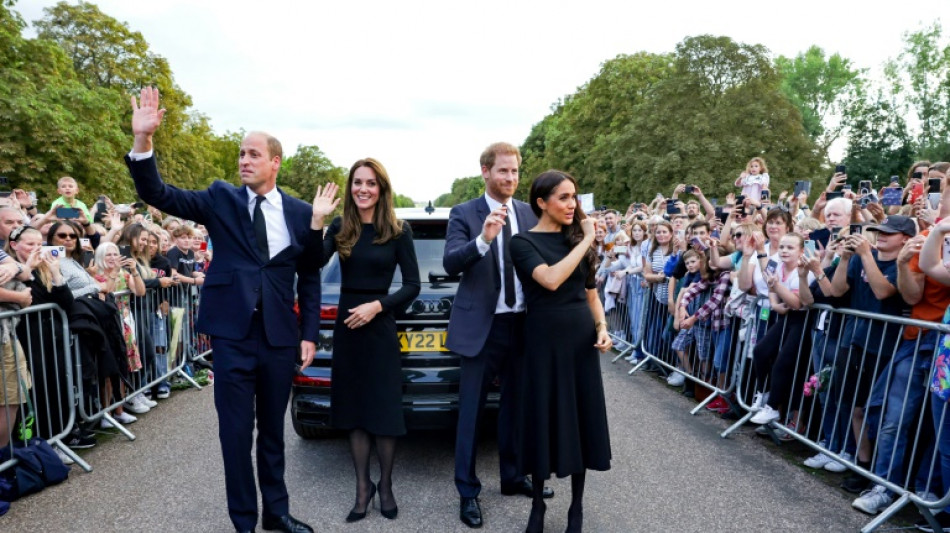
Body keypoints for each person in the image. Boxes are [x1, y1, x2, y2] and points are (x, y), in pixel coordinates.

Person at [125, 87, 321, 533]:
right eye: (240, 153)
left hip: (278, 337)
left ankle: (278, 513)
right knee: (235, 435)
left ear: (276, 162)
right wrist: (143, 142)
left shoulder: (300, 212)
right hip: (232, 336)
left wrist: (308, 333)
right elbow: (158, 191)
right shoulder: (220, 199)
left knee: (273, 433)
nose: (244, 160)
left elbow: (309, 276)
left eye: (254, 154)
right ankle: (244, 522)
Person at [443, 142, 551, 529]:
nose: (510, 178)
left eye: (515, 171)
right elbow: (451, 262)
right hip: (481, 329)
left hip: (522, 324)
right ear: (485, 171)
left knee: (516, 408)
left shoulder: (528, 212)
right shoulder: (463, 213)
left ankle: (511, 476)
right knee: (471, 413)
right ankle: (468, 492)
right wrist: (484, 239)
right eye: (503, 171)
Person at [310, 158, 420, 522]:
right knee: (355, 412)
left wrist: (377, 306)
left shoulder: (398, 230)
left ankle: (385, 486)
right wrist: (318, 222)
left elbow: (412, 285)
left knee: (384, 412)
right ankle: (362, 487)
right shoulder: (342, 226)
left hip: (380, 326)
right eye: (357, 182)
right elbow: (310, 265)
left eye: (371, 183)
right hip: (348, 330)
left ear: (381, 189)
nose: (363, 189)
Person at [510, 170, 612, 533]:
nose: (573, 204)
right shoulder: (522, 242)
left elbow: (591, 295)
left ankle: (576, 508)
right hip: (541, 341)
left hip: (580, 341)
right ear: (542, 202)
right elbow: (551, 280)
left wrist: (602, 327)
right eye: (564, 197)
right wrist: (586, 241)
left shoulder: (576, 239)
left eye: (574, 197)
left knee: (580, 419)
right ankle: (536, 505)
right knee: (543, 418)